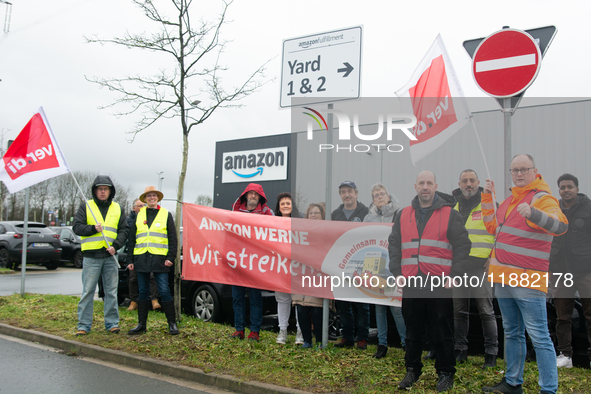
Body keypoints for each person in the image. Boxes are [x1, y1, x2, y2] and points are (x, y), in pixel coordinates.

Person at [481, 154, 567, 394]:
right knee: (512, 332)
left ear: (534, 171)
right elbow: (492, 226)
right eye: (514, 170)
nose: (519, 173)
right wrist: (488, 197)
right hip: (503, 278)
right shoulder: (510, 201)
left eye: (523, 169)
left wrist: (534, 214)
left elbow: (561, 225)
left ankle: (548, 389)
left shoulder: (542, 198)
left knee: (539, 336)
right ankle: (512, 382)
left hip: (527, 280)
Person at [388, 171, 471, 392]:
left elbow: (464, 246)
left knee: (442, 330)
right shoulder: (403, 214)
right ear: (415, 186)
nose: (425, 187)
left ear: (436, 186)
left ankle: (446, 373)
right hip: (411, 280)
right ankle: (412, 370)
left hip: (439, 282)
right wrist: (396, 272)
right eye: (421, 183)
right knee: (412, 329)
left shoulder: (449, 214)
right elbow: (394, 245)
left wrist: (455, 275)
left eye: (429, 183)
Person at [451, 170, 498, 368]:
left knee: (486, 311)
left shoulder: (490, 203)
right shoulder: (453, 207)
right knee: (459, 311)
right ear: (459, 183)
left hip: (481, 267)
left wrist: (494, 257)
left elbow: (502, 232)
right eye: (465, 181)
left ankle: (491, 353)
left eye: (472, 181)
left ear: (478, 182)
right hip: (459, 267)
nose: (468, 184)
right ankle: (460, 350)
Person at [73, 175, 128, 336]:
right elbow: (77, 227)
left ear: (110, 191)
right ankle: (83, 326)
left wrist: (116, 246)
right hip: (91, 257)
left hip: (110, 257)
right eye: (100, 189)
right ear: (95, 191)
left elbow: (124, 230)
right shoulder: (86, 206)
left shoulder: (118, 208)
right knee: (88, 291)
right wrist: (91, 229)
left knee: (111, 292)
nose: (103, 192)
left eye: (105, 189)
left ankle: (112, 324)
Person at [550, 173, 591, 369]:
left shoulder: (588, 208)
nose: (566, 190)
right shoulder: (553, 210)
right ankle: (565, 355)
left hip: (585, 271)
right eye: (563, 187)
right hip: (560, 270)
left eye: (570, 186)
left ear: (577, 188)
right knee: (562, 317)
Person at [127, 186, 179, 335]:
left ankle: (172, 324)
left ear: (158, 198)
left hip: (160, 260)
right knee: (142, 291)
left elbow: (173, 239)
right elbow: (132, 239)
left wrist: (171, 257)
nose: (151, 198)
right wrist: (130, 259)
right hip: (141, 259)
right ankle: (141, 325)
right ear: (145, 199)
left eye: (154, 195)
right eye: (149, 196)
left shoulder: (166, 215)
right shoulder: (139, 215)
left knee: (164, 290)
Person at [362, 183, 406, 359]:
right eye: (376, 195)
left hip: (394, 265)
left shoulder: (399, 214)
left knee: (396, 307)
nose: (380, 197)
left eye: (382, 194)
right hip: (375, 266)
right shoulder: (368, 218)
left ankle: (405, 343)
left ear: (389, 196)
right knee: (379, 307)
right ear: (372, 200)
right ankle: (382, 345)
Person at [230, 183, 274, 341]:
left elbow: (274, 232)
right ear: (246, 195)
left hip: (256, 263)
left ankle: (254, 330)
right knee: (237, 298)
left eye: (256, 194)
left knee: (255, 298)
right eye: (251, 193)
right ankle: (239, 329)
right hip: (238, 262)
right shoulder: (235, 211)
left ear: (260, 197)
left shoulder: (267, 212)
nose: (254, 196)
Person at [331, 181, 370, 350]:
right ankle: (347, 337)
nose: (346, 194)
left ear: (356, 193)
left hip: (361, 264)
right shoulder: (335, 214)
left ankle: (362, 338)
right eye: (343, 192)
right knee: (343, 303)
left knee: (362, 303)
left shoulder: (366, 212)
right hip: (341, 263)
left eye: (349, 191)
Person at [292, 203, 327, 349]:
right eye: (310, 213)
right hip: (301, 276)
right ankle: (307, 341)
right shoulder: (301, 232)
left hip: (317, 277)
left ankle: (319, 341)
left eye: (316, 213)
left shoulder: (326, 232)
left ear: (322, 215)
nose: (313, 215)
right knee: (301, 309)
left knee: (316, 310)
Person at [274, 192, 303, 345]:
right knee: (283, 300)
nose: (285, 206)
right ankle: (282, 330)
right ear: (279, 207)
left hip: (297, 268)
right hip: (279, 267)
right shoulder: (271, 223)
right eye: (282, 203)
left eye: (288, 203)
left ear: (293, 206)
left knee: (298, 300)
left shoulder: (300, 223)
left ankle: (300, 331)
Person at [126, 198, 161, 312]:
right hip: (136, 254)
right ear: (134, 208)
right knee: (133, 278)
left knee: (151, 277)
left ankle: (153, 300)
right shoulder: (130, 221)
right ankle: (133, 301)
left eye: (143, 205)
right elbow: (130, 239)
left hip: (149, 253)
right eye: (139, 206)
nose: (142, 208)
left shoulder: (149, 217)